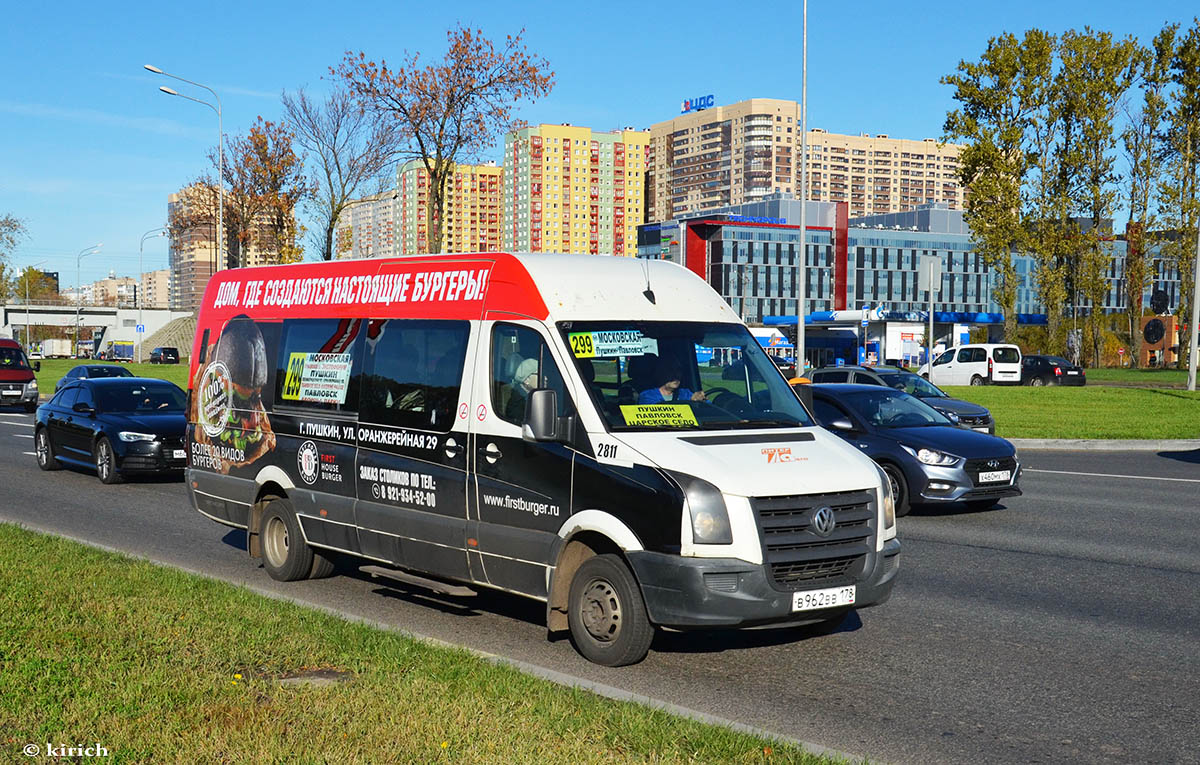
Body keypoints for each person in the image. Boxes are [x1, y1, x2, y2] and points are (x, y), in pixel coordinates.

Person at [639, 357, 706, 404]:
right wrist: (690, 403)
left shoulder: (685, 393)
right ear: (661, 374)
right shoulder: (648, 396)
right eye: (672, 373)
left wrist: (702, 399)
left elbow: (710, 408)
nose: (676, 377)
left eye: (678, 372)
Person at [506, 357, 540, 422]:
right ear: (527, 380)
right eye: (538, 374)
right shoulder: (517, 404)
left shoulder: (527, 397)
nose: (545, 378)